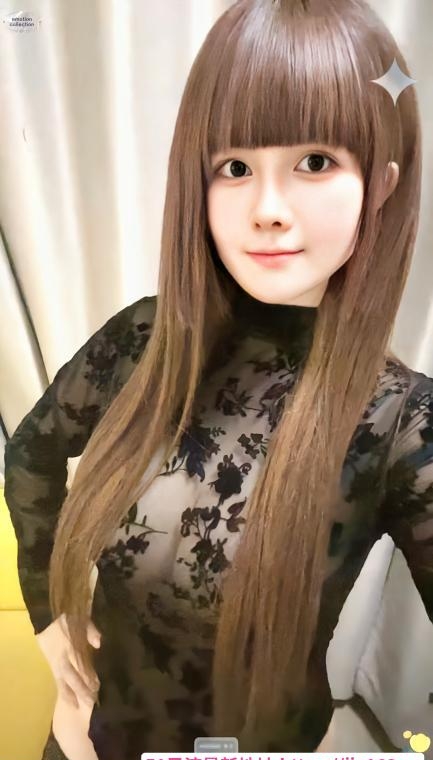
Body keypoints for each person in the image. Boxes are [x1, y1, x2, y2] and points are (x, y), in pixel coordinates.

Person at [4, 0, 433, 758]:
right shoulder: (142, 338)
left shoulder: (400, 423)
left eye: (315, 162)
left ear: (382, 184)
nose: (267, 209)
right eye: (234, 167)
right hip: (82, 740)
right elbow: (30, 452)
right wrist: (48, 612)